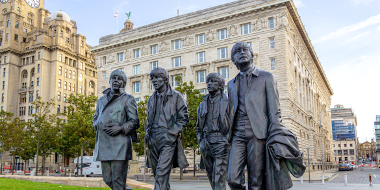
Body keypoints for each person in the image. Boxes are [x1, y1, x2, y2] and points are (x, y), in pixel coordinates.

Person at [227, 42, 282, 190]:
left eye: (245, 50)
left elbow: (274, 110)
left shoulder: (267, 77)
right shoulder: (230, 84)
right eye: (237, 51)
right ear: (234, 60)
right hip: (237, 134)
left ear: (252, 55)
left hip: (258, 133)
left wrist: (275, 135)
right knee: (232, 178)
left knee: (256, 180)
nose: (242, 52)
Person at [93, 69, 139, 190]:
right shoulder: (101, 100)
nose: (116, 81)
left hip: (120, 144)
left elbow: (134, 121)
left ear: (123, 83)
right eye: (113, 78)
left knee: (118, 180)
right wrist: (97, 124)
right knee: (107, 179)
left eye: (119, 79)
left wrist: (120, 128)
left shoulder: (128, 99)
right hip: (104, 144)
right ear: (109, 81)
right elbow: (95, 118)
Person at [145, 67, 189, 190]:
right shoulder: (151, 99)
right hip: (153, 139)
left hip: (167, 138)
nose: (154, 81)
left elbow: (183, 119)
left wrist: (172, 134)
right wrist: (147, 136)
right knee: (158, 175)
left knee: (161, 174)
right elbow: (149, 120)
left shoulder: (176, 96)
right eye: (152, 78)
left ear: (165, 79)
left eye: (157, 77)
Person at [196, 73, 231, 190]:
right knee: (211, 177)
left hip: (221, 141)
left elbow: (233, 123)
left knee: (219, 177)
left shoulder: (228, 102)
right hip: (206, 143)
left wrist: (226, 140)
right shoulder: (202, 105)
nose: (209, 84)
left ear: (220, 85)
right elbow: (198, 127)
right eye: (208, 82)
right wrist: (201, 141)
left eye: (213, 81)